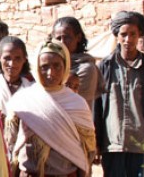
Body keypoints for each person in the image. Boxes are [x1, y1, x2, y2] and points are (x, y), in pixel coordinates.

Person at [5, 40, 95, 177]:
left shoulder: (78, 105)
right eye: (44, 67)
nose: (50, 73)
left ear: (65, 67)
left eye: (57, 66)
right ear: (36, 68)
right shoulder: (22, 100)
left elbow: (87, 150)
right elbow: (10, 144)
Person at [94, 11, 144, 177]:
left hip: (141, 147)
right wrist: (96, 143)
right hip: (112, 146)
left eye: (133, 34)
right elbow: (96, 106)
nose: (128, 40)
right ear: (116, 36)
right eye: (123, 34)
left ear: (139, 34)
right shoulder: (105, 67)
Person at [51, 16, 103, 110]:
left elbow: (70, 101)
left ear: (78, 37)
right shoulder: (51, 65)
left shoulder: (86, 69)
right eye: (58, 39)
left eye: (67, 37)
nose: (62, 43)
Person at [0, 36, 34, 119]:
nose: (12, 64)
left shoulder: (32, 89)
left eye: (17, 58)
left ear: (24, 59)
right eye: (7, 58)